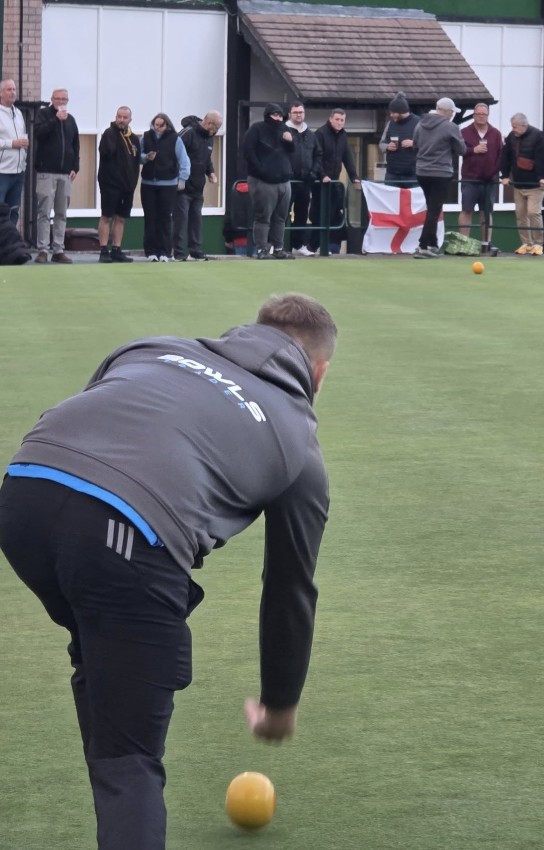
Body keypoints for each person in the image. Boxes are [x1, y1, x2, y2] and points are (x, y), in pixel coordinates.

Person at [0, 292, 337, 850]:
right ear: (318, 373)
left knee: (105, 650)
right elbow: (290, 587)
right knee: (129, 760)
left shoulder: (150, 348)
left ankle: (109, 701)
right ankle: (117, 743)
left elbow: (89, 429)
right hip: (124, 535)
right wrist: (279, 702)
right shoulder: (299, 444)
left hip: (23, 497)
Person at [412, 96, 465, 259]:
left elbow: (415, 145)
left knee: (431, 208)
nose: (452, 115)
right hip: (441, 172)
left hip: (422, 171)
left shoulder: (420, 124)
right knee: (434, 211)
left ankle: (432, 243)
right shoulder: (451, 127)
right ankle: (423, 246)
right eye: (452, 112)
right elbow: (462, 150)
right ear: (447, 111)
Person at [242, 103, 295, 260]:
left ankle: (278, 248)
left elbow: (293, 151)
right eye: (275, 115)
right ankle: (261, 249)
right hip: (263, 181)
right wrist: (261, 171)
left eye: (280, 115)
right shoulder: (256, 129)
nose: (278, 118)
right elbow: (248, 151)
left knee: (281, 218)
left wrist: (290, 141)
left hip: (284, 181)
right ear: (267, 115)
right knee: (263, 217)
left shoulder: (285, 130)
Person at [34, 88, 80, 264]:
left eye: (64, 99)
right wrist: (55, 120)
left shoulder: (71, 120)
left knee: (61, 213)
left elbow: (75, 145)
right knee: (44, 213)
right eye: (58, 99)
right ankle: (42, 250)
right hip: (46, 172)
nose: (61, 102)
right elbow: (39, 134)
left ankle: (58, 249)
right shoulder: (44, 115)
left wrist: (75, 167)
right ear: (52, 99)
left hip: (65, 174)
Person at [308, 108, 361, 255]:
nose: (339, 123)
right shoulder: (320, 134)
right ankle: (313, 246)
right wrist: (322, 175)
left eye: (342, 120)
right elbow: (316, 157)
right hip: (320, 183)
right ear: (331, 119)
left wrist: (354, 176)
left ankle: (327, 246)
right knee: (319, 214)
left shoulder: (343, 135)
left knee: (333, 214)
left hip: (334, 181)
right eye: (337, 119)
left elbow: (347, 157)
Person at [140, 112, 190, 262]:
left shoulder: (175, 139)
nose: (158, 128)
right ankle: (150, 251)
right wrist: (146, 157)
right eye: (156, 125)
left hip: (168, 184)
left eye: (161, 125)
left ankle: (165, 251)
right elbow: (138, 156)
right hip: (148, 183)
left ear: (167, 125)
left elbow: (184, 160)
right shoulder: (146, 137)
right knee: (150, 218)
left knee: (165, 218)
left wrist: (182, 179)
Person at [173, 111, 222, 261]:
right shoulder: (188, 133)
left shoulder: (209, 137)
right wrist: (178, 179)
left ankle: (195, 251)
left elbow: (206, 159)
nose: (216, 131)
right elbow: (174, 153)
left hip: (198, 188)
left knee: (196, 220)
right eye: (216, 128)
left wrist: (211, 173)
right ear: (209, 123)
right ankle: (178, 252)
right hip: (182, 187)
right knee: (180, 221)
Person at [97, 106, 141, 264]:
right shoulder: (109, 133)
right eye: (119, 117)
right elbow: (105, 153)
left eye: (125, 117)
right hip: (110, 184)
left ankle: (116, 249)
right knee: (107, 216)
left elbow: (136, 161)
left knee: (121, 218)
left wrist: (133, 182)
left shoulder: (134, 139)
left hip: (127, 186)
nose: (121, 120)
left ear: (130, 119)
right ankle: (103, 250)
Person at [500, 112, 544, 256]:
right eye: (512, 127)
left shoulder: (538, 135)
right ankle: (526, 243)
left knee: (533, 212)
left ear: (524, 125)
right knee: (520, 214)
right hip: (519, 183)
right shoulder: (511, 137)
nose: (513, 129)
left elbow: (542, 158)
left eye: (515, 127)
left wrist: (543, 177)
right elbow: (506, 156)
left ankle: (538, 244)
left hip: (535, 184)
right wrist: (505, 175)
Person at [459, 102, 503, 251]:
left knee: (486, 212)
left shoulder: (496, 133)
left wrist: (495, 173)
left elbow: (501, 155)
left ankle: (486, 243)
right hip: (470, 178)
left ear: (488, 115)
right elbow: (459, 150)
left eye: (484, 114)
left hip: (489, 180)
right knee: (466, 210)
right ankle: (464, 243)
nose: (481, 116)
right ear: (474, 115)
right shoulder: (464, 132)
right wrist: (473, 150)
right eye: (478, 114)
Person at [286, 101, 320, 257]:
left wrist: (313, 172)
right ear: (290, 114)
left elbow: (318, 155)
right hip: (287, 181)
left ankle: (298, 244)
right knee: (282, 213)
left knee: (302, 214)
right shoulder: (283, 131)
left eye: (301, 112)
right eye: (295, 112)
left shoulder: (311, 135)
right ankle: (279, 244)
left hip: (305, 182)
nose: (298, 115)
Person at [0, 79, 29, 225]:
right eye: (9, 89)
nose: (12, 92)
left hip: (18, 172)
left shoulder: (18, 113)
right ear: (1, 93)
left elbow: (22, 136)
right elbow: (12, 142)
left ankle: (10, 239)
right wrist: (12, 143)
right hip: (2, 172)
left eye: (14, 89)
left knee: (13, 212)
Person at [379, 91, 419, 187]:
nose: (391, 115)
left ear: (400, 111)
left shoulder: (419, 123)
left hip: (413, 175)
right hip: (392, 174)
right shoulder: (390, 124)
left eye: (393, 112)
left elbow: (428, 145)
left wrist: (413, 143)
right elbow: (381, 143)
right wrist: (387, 146)